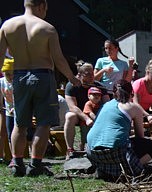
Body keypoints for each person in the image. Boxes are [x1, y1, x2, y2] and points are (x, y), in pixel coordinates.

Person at [0, 0, 82, 177]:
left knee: (20, 123)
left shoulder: (7, 26)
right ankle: (35, 164)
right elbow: (59, 59)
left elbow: (0, 58)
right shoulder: (47, 28)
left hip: (19, 76)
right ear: (41, 6)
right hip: (42, 76)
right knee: (44, 123)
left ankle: (17, 163)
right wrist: (71, 77)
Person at [85, 79, 152, 181]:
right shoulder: (134, 107)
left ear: (114, 93)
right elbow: (139, 137)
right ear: (131, 93)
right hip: (114, 152)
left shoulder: (105, 105)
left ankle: (105, 170)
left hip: (91, 151)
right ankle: (128, 169)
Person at [63, 61, 102, 158]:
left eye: (92, 73)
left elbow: (105, 103)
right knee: (69, 116)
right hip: (79, 114)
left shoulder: (98, 86)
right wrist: (86, 118)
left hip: (95, 114)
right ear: (79, 75)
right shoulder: (71, 86)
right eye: (88, 74)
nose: (92, 77)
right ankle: (70, 149)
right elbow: (72, 107)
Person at [1, 57, 14, 166]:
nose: (10, 77)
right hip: (8, 111)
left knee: (22, 133)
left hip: (19, 111)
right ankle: (14, 157)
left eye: (12, 74)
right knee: (10, 134)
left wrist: (17, 107)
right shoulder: (1, 82)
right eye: (7, 74)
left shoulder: (18, 82)